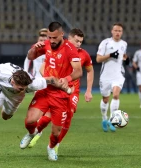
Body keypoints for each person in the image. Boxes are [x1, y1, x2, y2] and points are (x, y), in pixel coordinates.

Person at [19, 22, 83, 161]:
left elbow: (78, 71)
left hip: (60, 95)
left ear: (62, 34)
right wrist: (34, 49)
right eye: (50, 37)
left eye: (54, 38)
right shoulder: (46, 44)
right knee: (30, 120)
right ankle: (31, 134)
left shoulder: (70, 49)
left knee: (56, 132)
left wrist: (66, 78)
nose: (51, 41)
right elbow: (30, 57)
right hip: (45, 89)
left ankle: (51, 147)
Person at [27, 28, 94, 153]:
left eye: (81, 42)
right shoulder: (58, 50)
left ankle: (55, 145)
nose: (79, 44)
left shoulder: (83, 54)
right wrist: (54, 81)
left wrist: (89, 90)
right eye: (77, 41)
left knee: (69, 114)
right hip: (56, 89)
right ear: (69, 39)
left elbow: (90, 70)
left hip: (72, 90)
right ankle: (37, 132)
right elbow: (43, 68)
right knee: (48, 114)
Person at [96, 23, 128, 132]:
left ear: (122, 32)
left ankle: (111, 120)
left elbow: (123, 57)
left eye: (120, 31)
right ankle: (104, 118)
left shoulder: (124, 44)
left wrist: (126, 59)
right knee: (105, 99)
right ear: (112, 31)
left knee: (116, 94)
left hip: (118, 75)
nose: (117, 32)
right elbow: (98, 59)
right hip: (105, 76)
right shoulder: (105, 43)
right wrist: (110, 55)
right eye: (116, 30)